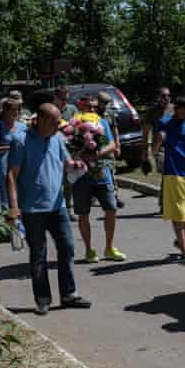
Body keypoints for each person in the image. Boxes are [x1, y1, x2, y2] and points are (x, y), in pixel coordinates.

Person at [6, 103, 92, 315]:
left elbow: (67, 163)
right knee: (39, 255)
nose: (58, 127)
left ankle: (68, 294)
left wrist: (76, 165)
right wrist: (14, 207)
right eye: (54, 123)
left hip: (58, 206)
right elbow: (11, 175)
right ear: (42, 120)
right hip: (32, 209)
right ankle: (43, 298)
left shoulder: (57, 139)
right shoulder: (21, 140)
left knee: (67, 248)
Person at [70, 98, 126, 263]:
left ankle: (109, 248)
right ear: (82, 107)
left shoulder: (102, 122)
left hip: (102, 173)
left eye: (95, 107)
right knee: (83, 213)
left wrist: (97, 154)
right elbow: (67, 146)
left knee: (111, 209)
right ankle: (89, 250)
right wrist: (79, 153)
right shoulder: (74, 125)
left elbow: (112, 145)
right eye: (89, 106)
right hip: (81, 176)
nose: (93, 109)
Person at [159, 95, 185, 264]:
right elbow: (155, 147)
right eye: (180, 113)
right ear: (175, 110)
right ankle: (184, 251)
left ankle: (179, 240)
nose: (183, 117)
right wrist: (157, 143)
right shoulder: (165, 122)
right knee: (178, 211)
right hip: (173, 172)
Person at [0, 97, 27, 210]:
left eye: (18, 110)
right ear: (5, 111)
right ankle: (8, 219)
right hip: (5, 163)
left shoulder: (23, 126)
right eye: (13, 110)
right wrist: (10, 148)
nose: (16, 112)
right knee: (5, 193)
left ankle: (21, 219)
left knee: (22, 189)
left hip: (21, 162)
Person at [143, 87, 174, 213]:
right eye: (163, 96)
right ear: (158, 98)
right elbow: (145, 133)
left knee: (171, 175)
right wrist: (144, 154)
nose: (166, 98)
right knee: (167, 173)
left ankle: (165, 201)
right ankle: (164, 203)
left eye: (168, 95)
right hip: (159, 147)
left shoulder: (174, 109)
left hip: (174, 146)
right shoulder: (152, 112)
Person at [95, 91, 124, 209]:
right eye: (104, 103)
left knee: (111, 170)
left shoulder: (110, 113)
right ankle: (95, 195)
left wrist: (118, 145)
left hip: (109, 146)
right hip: (97, 147)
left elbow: (114, 130)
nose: (106, 106)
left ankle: (115, 195)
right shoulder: (93, 113)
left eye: (107, 103)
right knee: (96, 170)